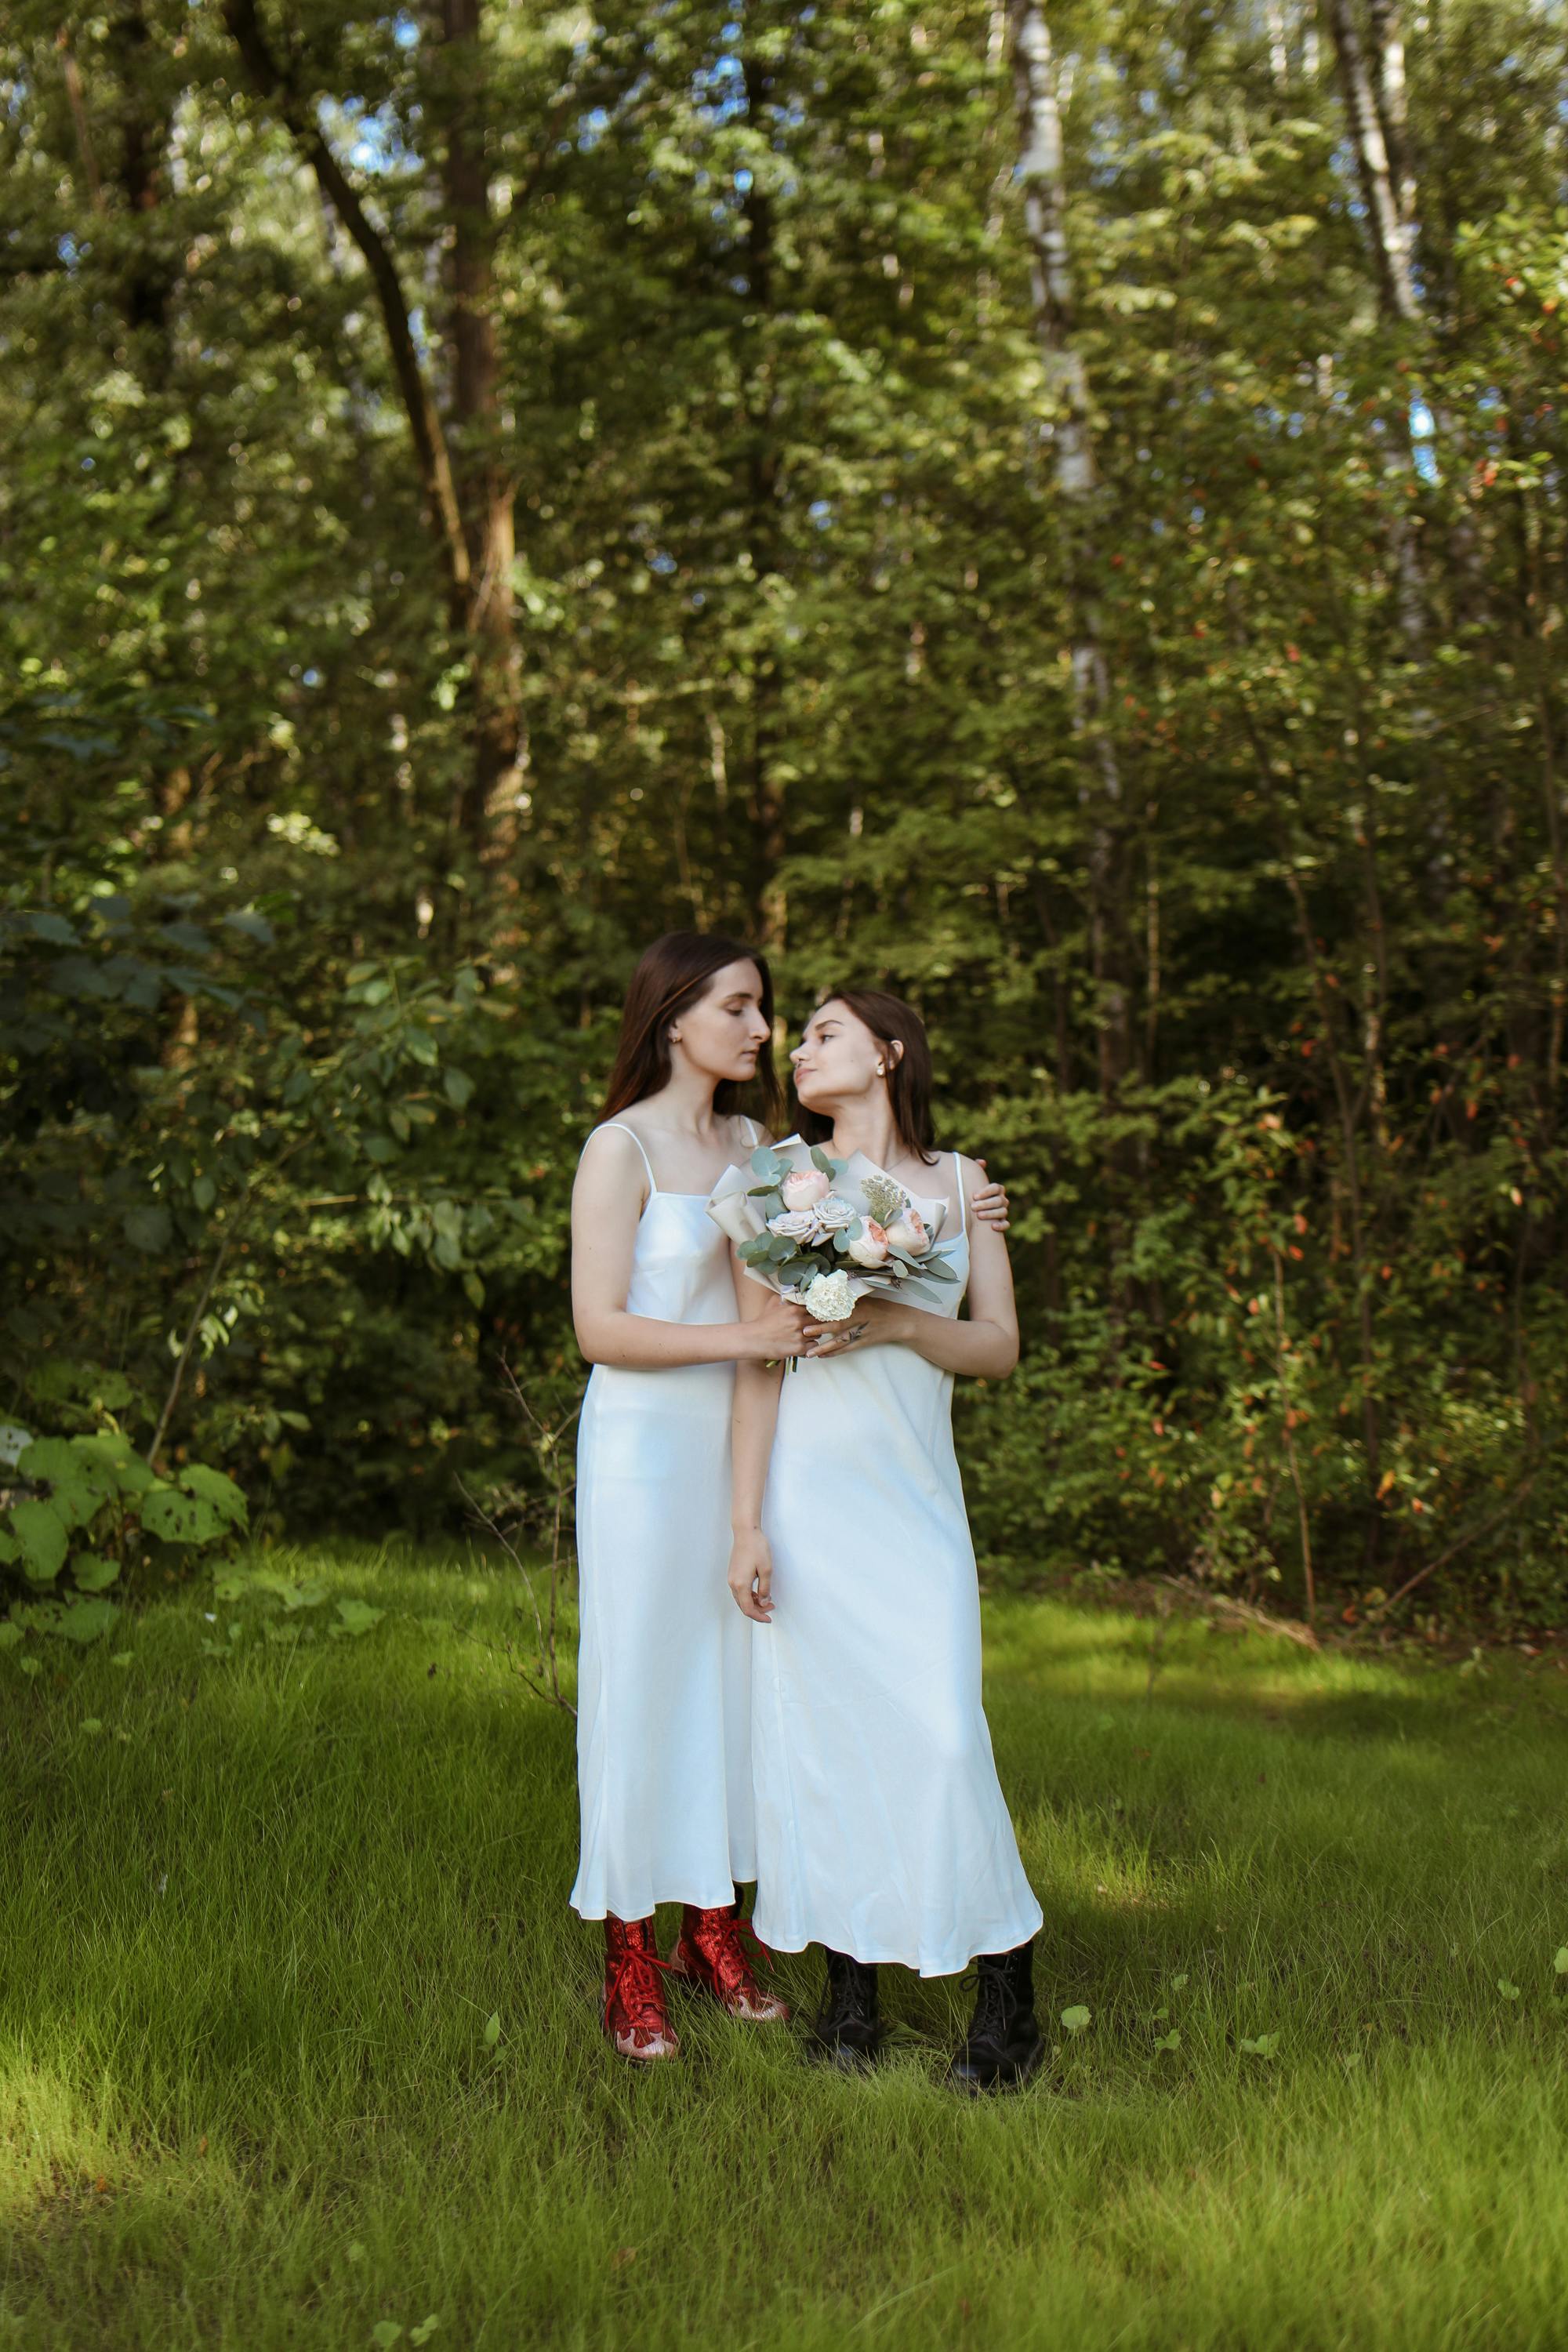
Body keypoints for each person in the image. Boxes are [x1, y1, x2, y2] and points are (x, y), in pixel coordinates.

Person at [570, 940, 1015, 2063]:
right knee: (653, 1690)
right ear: (676, 1017)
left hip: (791, 1458)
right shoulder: (630, 1150)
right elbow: (611, 1329)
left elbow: (963, 1325)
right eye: (747, 1008)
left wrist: (940, 1242)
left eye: (784, 1015)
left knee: (744, 1702)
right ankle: (639, 1952)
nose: (767, 1031)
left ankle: (717, 1928)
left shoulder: (767, 1154)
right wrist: (758, 1355)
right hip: (656, 1452)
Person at [725, 989, 1044, 2092]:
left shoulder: (963, 1186)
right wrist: (747, 1524)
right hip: (809, 1501)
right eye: (798, 1036)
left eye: (823, 1031)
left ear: (888, 1052)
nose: (799, 1048)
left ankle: (1012, 2000)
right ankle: (851, 2003)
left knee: (946, 1736)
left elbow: (998, 1348)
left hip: (912, 1504)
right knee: (829, 1746)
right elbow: (759, 1368)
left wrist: (902, 1319)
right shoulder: (774, 1181)